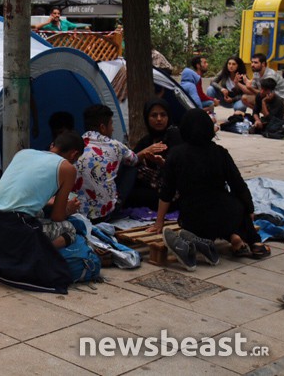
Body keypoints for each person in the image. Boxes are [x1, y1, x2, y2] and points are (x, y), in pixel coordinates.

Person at [148, 109, 270, 271]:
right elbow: (239, 186)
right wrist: (249, 211)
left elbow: (167, 192)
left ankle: (217, 240)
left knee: (198, 219)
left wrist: (159, 222)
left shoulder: (176, 155)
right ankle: (252, 241)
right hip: (227, 214)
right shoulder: (220, 153)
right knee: (234, 207)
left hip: (195, 219)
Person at [0, 132, 84, 249]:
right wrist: (68, 209)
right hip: (14, 227)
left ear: (52, 145)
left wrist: (47, 202)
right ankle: (38, 254)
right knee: (70, 228)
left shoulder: (23, 153)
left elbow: (17, 195)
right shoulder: (68, 168)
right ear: (74, 154)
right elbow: (57, 217)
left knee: (39, 212)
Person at [74, 104, 166, 222]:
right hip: (104, 214)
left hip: (77, 212)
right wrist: (148, 150)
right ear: (102, 127)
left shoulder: (75, 144)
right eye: (111, 124)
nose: (112, 129)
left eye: (162, 115)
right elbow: (134, 160)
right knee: (130, 167)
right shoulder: (115, 146)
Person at [126, 98, 183, 210]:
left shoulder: (175, 136)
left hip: (172, 193)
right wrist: (143, 153)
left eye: (163, 115)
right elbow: (131, 160)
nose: (159, 119)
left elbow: (181, 170)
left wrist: (163, 164)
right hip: (155, 189)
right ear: (147, 118)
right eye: (154, 115)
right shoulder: (147, 141)